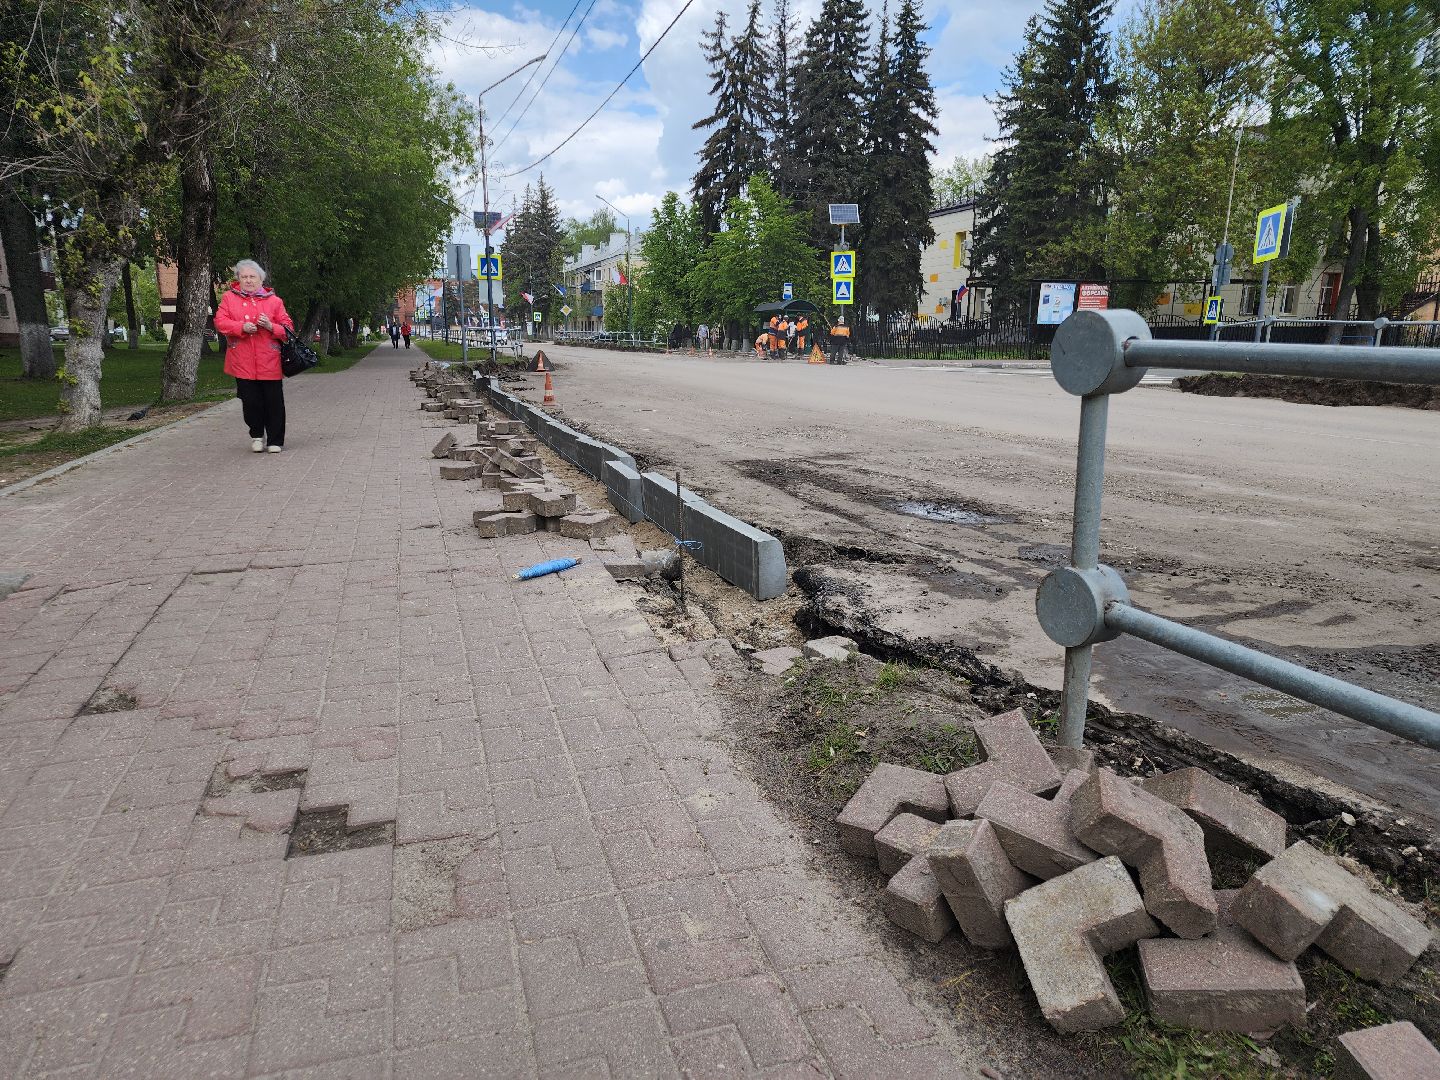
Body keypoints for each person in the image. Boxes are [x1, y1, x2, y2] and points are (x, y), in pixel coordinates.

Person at [214, 259, 294, 453]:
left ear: (261, 279)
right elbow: (220, 322)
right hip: (242, 361)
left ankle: (275, 440)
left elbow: (288, 329)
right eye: (244, 277)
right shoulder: (228, 299)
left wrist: (270, 326)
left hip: (270, 360)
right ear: (239, 279)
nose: (248, 280)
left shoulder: (274, 301)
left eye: (252, 277)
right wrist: (240, 327)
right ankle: (257, 435)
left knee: (274, 403)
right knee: (251, 402)